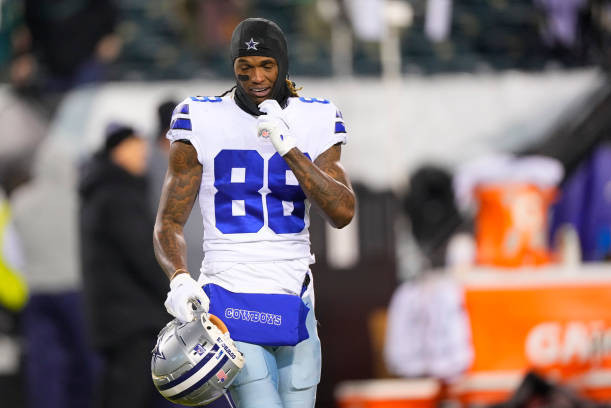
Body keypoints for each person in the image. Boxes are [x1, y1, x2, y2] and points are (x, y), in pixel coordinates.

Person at [153, 17, 355, 408]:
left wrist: (290, 148)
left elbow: (343, 211)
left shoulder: (315, 118)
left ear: (283, 65)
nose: (255, 78)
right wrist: (179, 278)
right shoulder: (201, 118)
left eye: (266, 66)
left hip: (294, 291)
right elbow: (169, 220)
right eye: (244, 69)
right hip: (230, 290)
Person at [78, 125, 177, 408]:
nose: (142, 153)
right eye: (135, 147)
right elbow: (144, 255)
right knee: (131, 394)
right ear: (117, 151)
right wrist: (176, 288)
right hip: (133, 319)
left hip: (119, 317)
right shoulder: (119, 195)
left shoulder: (102, 191)